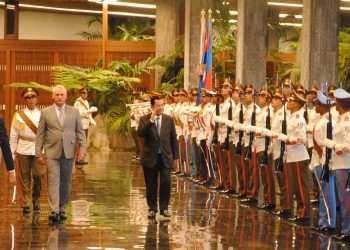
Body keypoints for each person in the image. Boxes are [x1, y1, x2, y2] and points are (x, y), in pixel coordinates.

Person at [35, 85, 86, 223]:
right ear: (52, 96)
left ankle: (62, 208)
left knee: (65, 181)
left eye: (62, 94)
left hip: (69, 151)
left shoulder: (74, 112)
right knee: (53, 180)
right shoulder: (45, 112)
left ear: (66, 96)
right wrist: (38, 152)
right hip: (52, 151)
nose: (59, 97)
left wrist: (82, 151)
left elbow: (80, 132)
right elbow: (40, 134)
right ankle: (54, 210)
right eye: (56, 94)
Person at [137, 95, 179, 219]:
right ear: (152, 107)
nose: (160, 108)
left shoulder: (169, 119)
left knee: (166, 182)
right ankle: (152, 208)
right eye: (158, 106)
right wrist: (151, 120)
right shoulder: (145, 119)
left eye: (162, 105)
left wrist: (176, 157)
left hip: (165, 157)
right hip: (150, 157)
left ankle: (164, 208)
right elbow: (140, 133)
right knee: (151, 184)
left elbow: (173, 139)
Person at [10, 88, 42, 214]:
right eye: (28, 97)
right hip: (23, 148)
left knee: (38, 176)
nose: (31, 99)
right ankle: (26, 201)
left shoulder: (42, 115)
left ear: (37, 98)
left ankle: (36, 199)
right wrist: (11, 153)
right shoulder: (19, 116)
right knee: (24, 176)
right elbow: (14, 135)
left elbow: (46, 134)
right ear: (24, 100)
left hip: (38, 149)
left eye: (33, 96)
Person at [73, 87, 97, 165]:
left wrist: (91, 120)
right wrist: (89, 110)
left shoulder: (86, 102)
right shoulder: (77, 102)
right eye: (83, 92)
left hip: (86, 124)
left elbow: (88, 114)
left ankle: (81, 158)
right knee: (80, 142)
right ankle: (78, 159)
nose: (85, 94)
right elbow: (79, 113)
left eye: (86, 93)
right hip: (80, 125)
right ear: (80, 93)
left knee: (84, 142)